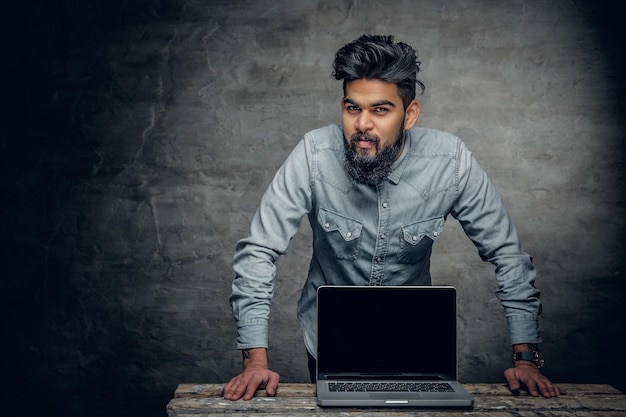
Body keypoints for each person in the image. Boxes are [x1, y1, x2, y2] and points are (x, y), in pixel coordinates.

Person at [223, 34, 560, 401]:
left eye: (380, 110)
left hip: (416, 344)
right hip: (328, 346)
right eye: (353, 108)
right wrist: (254, 360)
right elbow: (259, 251)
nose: (362, 124)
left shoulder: (450, 162)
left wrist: (526, 358)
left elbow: (507, 255)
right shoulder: (314, 155)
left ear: (409, 114)